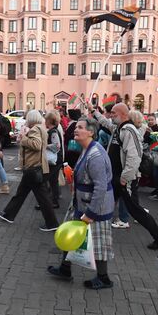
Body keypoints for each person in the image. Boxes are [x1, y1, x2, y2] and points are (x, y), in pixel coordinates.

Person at [47, 117, 115, 289]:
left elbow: (100, 186)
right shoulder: (86, 149)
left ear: (90, 132)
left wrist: (91, 213)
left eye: (80, 127)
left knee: (98, 242)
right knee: (69, 232)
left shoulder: (96, 155)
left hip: (95, 207)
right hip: (80, 202)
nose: (75, 129)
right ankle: (65, 268)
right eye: (76, 126)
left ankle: (104, 278)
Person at [93, 103, 158, 250]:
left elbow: (134, 157)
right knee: (104, 203)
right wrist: (94, 112)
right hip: (116, 177)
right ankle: (94, 233)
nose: (111, 115)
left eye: (113, 113)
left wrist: (125, 178)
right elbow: (104, 122)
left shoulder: (129, 130)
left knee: (134, 209)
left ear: (122, 114)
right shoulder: (118, 128)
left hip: (124, 179)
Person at [0, 110, 59, 231]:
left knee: (39, 197)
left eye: (27, 118)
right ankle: (8, 214)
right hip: (35, 167)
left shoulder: (35, 129)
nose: (25, 120)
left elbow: (37, 145)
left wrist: (23, 139)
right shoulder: (41, 128)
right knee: (25, 194)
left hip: (32, 167)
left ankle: (52, 223)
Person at [44, 110, 63, 208]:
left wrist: (45, 145)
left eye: (46, 119)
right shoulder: (54, 130)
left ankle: (52, 201)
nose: (44, 121)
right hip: (57, 160)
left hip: (55, 161)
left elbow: (57, 146)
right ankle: (54, 201)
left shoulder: (53, 132)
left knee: (50, 180)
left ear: (49, 120)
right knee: (53, 181)